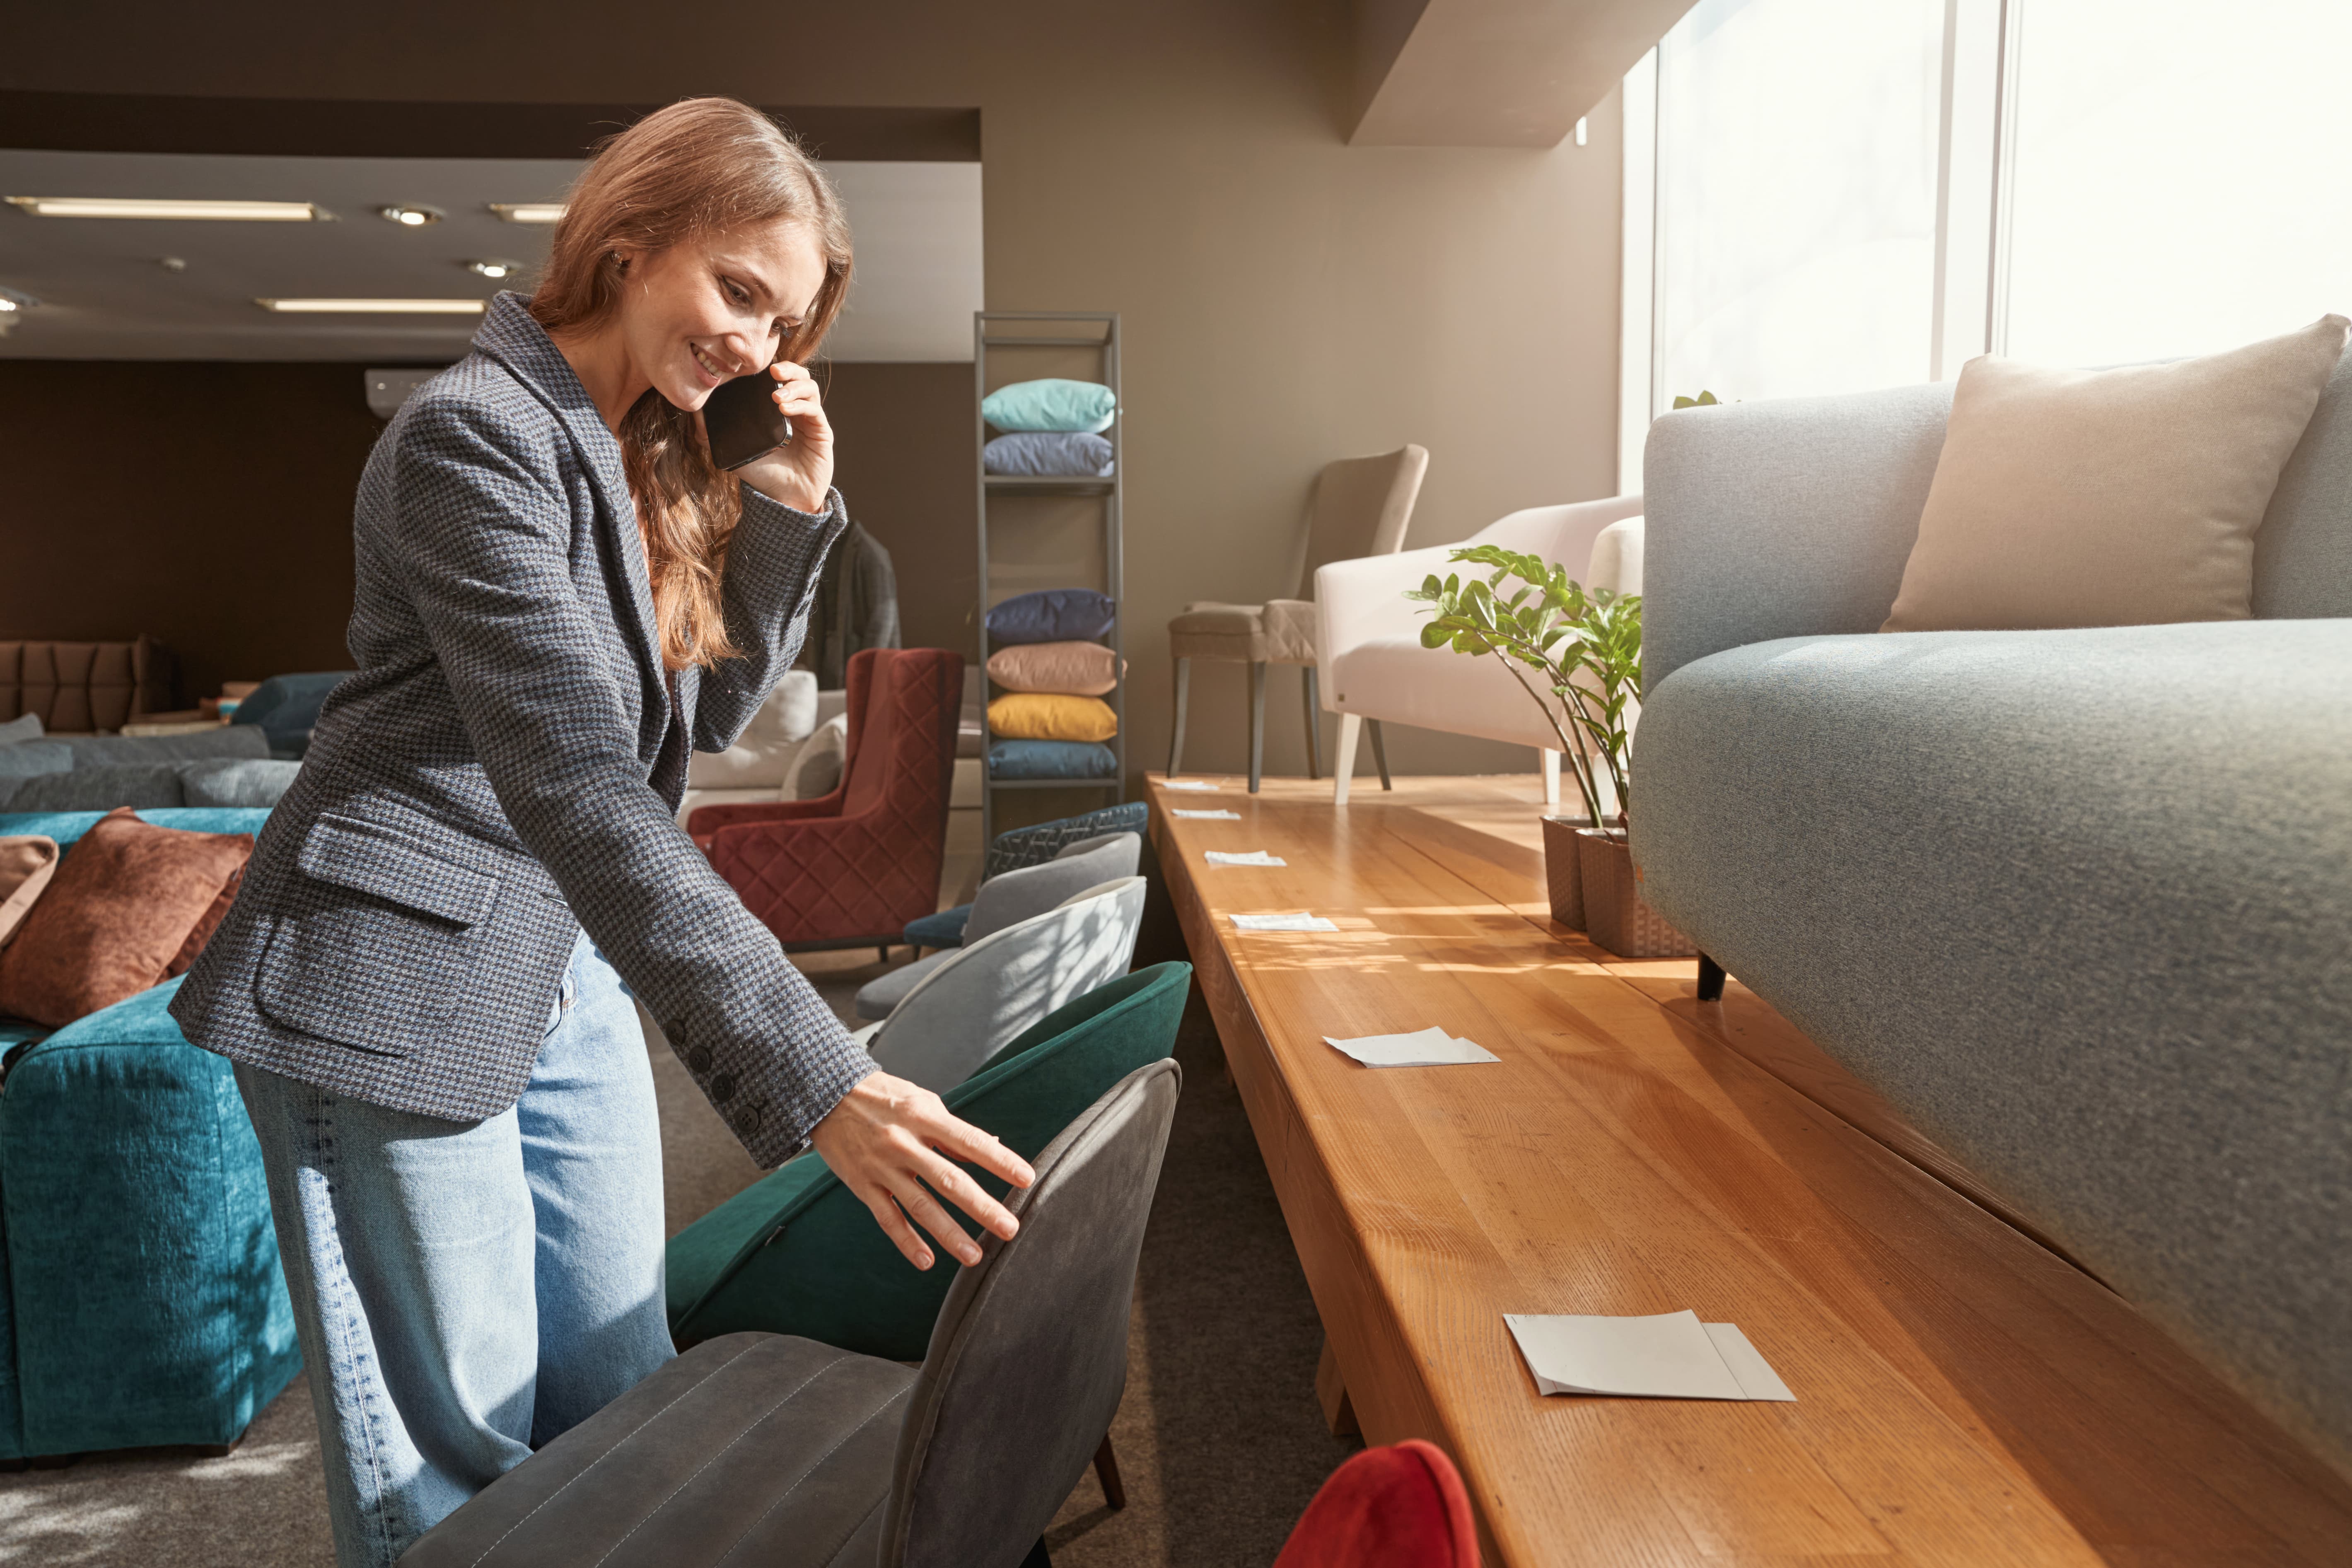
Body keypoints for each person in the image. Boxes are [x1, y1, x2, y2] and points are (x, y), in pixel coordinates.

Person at [170, 98, 1030, 1568]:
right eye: (737, 292)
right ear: (629, 247)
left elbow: (684, 732)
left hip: (557, 957)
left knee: (621, 1391)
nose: (757, 346)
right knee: (456, 1464)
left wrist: (779, 514)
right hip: (385, 972)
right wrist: (822, 1076)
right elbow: (580, 780)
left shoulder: (649, 447)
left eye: (786, 322)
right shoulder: (471, 440)